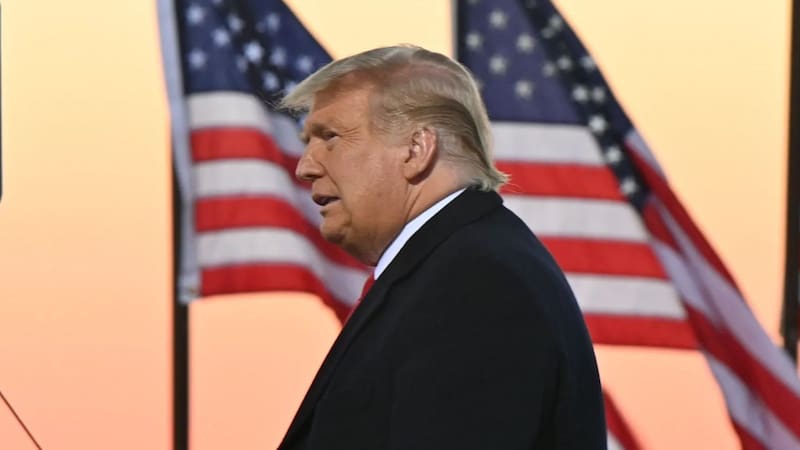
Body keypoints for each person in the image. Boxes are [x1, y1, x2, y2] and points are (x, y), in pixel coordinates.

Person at [277, 45, 606, 450]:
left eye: (330, 137)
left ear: (417, 149)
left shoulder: (477, 284)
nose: (305, 166)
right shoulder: (452, 269)